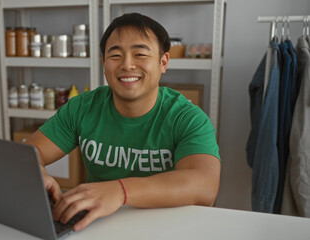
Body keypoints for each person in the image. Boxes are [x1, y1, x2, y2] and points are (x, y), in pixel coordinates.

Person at [26, 12, 221, 231]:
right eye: (115, 55)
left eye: (140, 54)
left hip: (165, 227)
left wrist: (120, 191)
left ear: (163, 62)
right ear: (104, 62)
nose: (127, 65)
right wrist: (38, 173)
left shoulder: (187, 118)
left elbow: (204, 186)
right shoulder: (82, 108)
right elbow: (28, 154)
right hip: (98, 225)